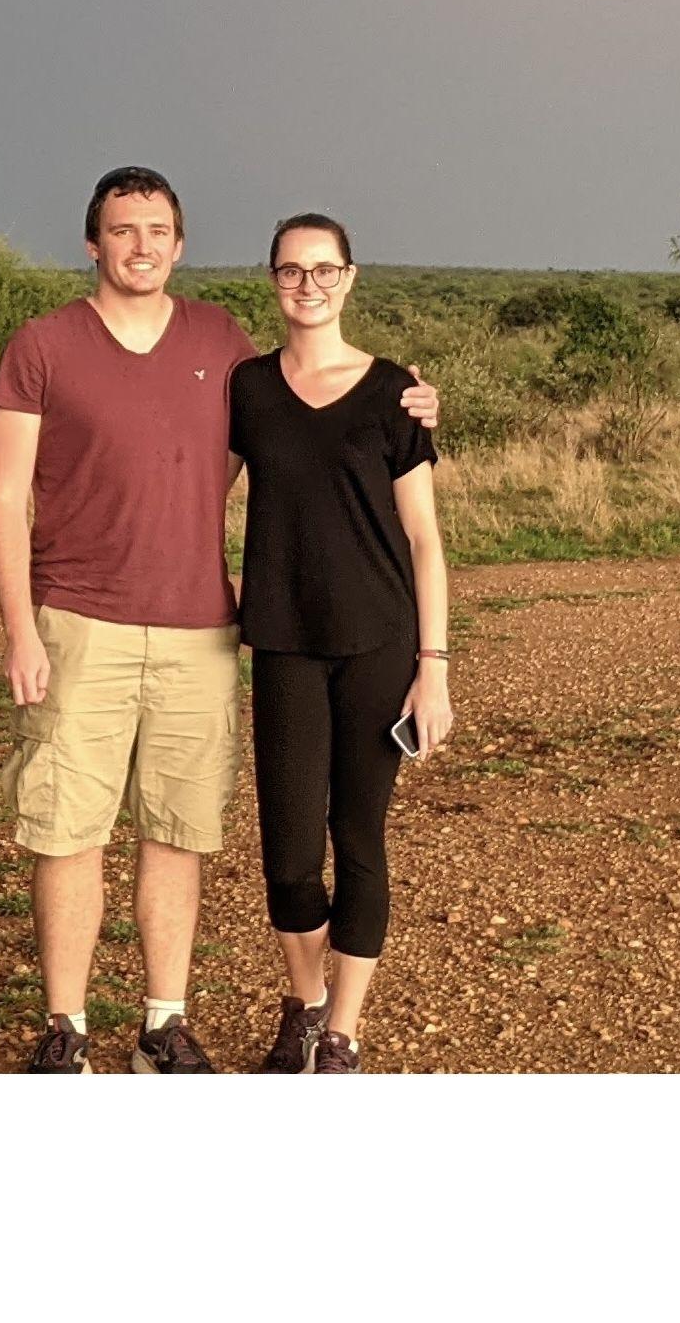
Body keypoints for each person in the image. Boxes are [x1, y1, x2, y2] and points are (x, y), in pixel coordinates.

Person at [0, 167, 438, 1073]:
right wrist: (21, 629)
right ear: (93, 243)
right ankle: (64, 1030)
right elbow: (5, 497)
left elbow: (327, 432)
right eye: (123, 230)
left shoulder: (217, 340)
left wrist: (412, 401)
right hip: (85, 619)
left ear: (180, 245)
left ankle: (165, 1023)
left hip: (205, 628)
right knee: (72, 828)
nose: (141, 245)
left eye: (158, 229)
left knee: (179, 828)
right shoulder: (49, 346)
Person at [226, 211, 452, 1074]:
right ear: (273, 279)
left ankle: (341, 1035)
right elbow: (198, 492)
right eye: (292, 271)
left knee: (358, 838)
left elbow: (425, 541)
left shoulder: (396, 394)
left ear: (350, 278)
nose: (308, 286)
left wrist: (433, 671)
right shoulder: (247, 389)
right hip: (284, 644)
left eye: (325, 270)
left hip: (380, 645)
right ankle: (305, 1000)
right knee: (287, 851)